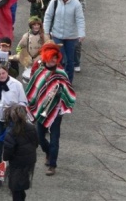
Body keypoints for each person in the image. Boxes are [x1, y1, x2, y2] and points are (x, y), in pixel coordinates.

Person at [26, 42, 76, 176]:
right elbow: (33, 89)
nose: (54, 60)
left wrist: (61, 95)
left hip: (56, 111)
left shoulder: (61, 73)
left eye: (56, 57)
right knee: (40, 138)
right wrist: (31, 104)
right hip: (41, 109)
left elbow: (68, 90)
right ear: (46, 57)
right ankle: (48, 152)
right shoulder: (39, 72)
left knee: (55, 139)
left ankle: (52, 165)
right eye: (51, 57)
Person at [0, 65, 27, 188]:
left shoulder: (16, 85)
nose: (1, 76)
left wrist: (15, 110)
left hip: (11, 121)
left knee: (11, 149)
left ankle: (13, 177)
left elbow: (23, 102)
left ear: (7, 72)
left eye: (3, 73)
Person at [43, 0, 85, 83]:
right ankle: (57, 79)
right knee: (59, 59)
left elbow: (80, 19)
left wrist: (81, 33)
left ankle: (68, 81)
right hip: (57, 35)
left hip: (71, 36)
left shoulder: (76, 4)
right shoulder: (54, 2)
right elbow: (48, 16)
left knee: (70, 61)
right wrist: (46, 32)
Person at [3, 105, 38, 200]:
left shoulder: (11, 133)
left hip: (16, 163)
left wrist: (5, 159)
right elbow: (36, 143)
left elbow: (7, 153)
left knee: (15, 187)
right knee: (22, 183)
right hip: (30, 161)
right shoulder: (31, 128)